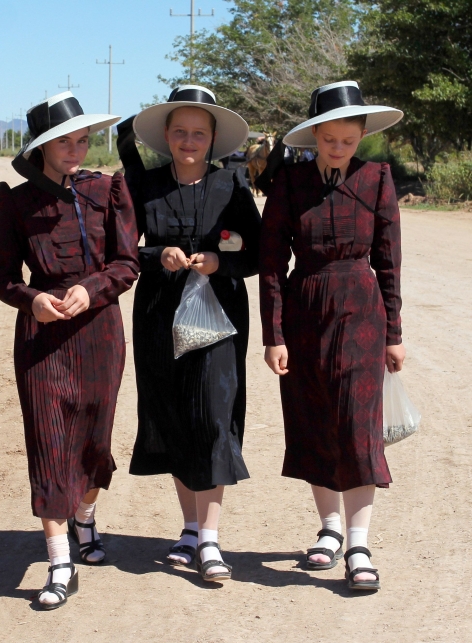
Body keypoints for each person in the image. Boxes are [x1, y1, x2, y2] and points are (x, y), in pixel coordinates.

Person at [0, 92, 139, 609]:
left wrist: (93, 288)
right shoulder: (14, 200)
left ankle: (86, 517)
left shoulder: (110, 188)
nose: (75, 148)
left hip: (100, 331)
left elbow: (127, 263)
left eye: (83, 139)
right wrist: (34, 301)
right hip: (41, 339)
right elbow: (3, 279)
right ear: (42, 146)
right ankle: (59, 562)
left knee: (95, 442)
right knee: (50, 443)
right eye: (64, 141)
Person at [259, 81, 405, 591]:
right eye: (329, 138)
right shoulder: (289, 183)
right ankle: (329, 530)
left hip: (362, 313)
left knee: (358, 425)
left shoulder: (378, 179)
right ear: (314, 135)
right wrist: (273, 335)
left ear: (361, 135)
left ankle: (359, 544)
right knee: (313, 417)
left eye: (348, 138)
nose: (338, 147)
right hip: (304, 311)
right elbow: (272, 265)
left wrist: (394, 333)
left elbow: (388, 261)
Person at [121, 85, 259, 583]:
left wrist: (221, 262)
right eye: (179, 131)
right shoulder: (144, 186)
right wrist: (156, 256)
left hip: (219, 315)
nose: (188, 140)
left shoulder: (233, 186)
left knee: (213, 416)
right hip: (159, 311)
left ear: (213, 137)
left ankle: (212, 540)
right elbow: (120, 250)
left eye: (198, 132)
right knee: (174, 414)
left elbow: (260, 252)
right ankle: (189, 529)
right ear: (166, 136)